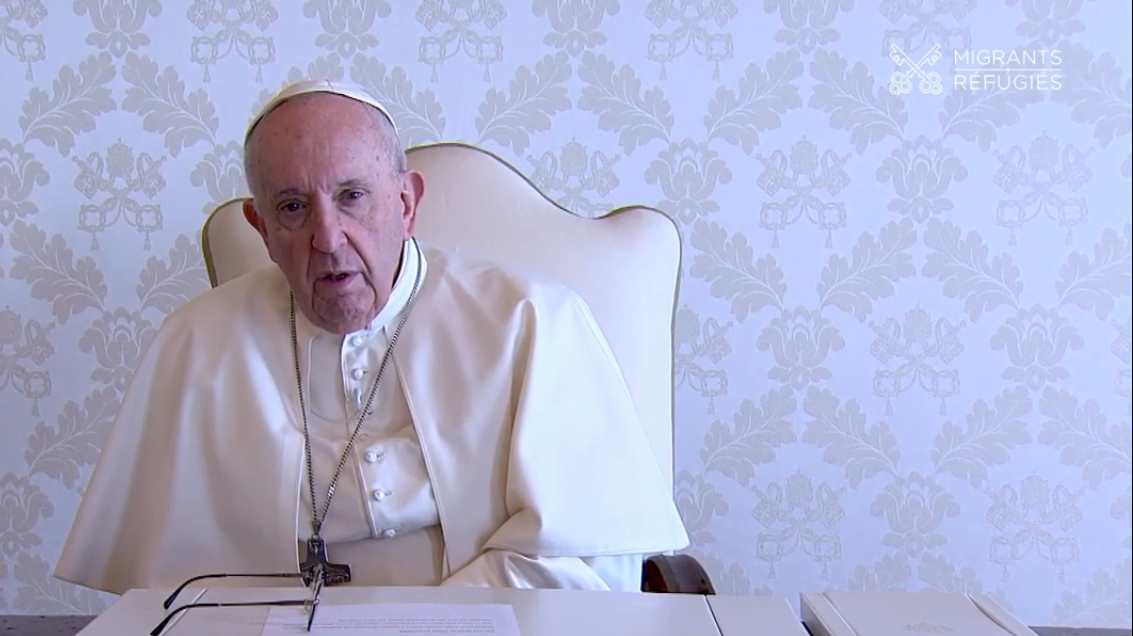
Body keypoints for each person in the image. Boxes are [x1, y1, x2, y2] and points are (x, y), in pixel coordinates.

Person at [53, 80, 691, 596]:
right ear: (260, 227)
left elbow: (584, 565)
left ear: (407, 203)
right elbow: (171, 590)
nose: (328, 238)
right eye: (293, 207)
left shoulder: (531, 321)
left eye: (352, 196)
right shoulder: (196, 344)